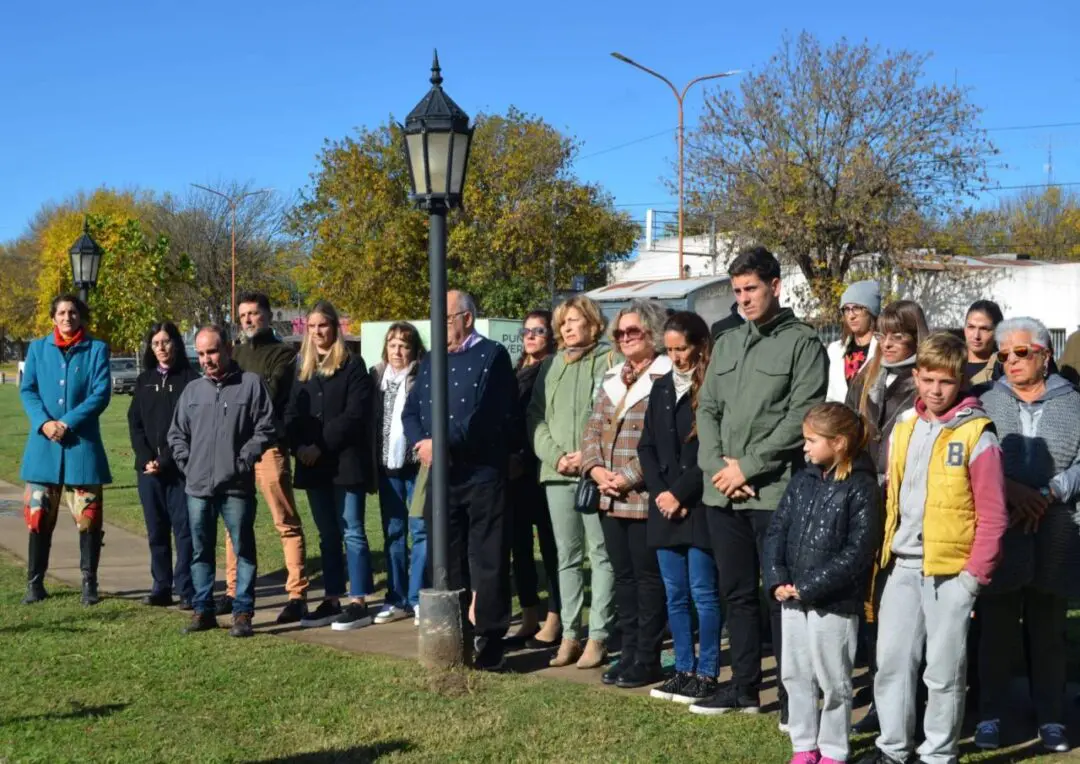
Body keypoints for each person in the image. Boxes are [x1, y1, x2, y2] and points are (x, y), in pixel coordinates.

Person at [857, 332, 1008, 764]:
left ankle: (938, 753)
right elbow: (892, 494)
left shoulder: (978, 435)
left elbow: (993, 515)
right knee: (891, 663)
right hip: (902, 566)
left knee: (943, 671)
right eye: (927, 380)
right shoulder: (906, 427)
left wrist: (973, 578)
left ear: (959, 380)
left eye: (945, 381)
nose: (935, 390)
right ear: (916, 377)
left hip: (951, 572)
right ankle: (893, 748)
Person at [693, 246, 828, 719]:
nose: (744, 299)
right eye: (737, 291)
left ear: (775, 286)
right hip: (722, 491)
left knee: (780, 594)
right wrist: (720, 467)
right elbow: (707, 408)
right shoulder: (727, 342)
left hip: (773, 491)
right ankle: (744, 688)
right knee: (736, 593)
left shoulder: (802, 343)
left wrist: (747, 468)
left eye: (751, 288)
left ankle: (794, 698)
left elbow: (800, 416)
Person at [975, 317, 1080, 753]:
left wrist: (1053, 490)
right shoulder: (986, 402)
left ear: (1044, 354)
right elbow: (974, 457)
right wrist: (1012, 491)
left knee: (1048, 626)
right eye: (1004, 356)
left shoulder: (1073, 402)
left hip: (1057, 526)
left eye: (1021, 353)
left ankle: (1052, 715)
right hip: (1004, 527)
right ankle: (990, 714)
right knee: (996, 627)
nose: (1012, 362)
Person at [401, 290, 517, 671]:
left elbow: (487, 416)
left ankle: (492, 634)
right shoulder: (432, 359)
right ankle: (456, 632)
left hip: (482, 474)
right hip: (442, 477)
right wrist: (422, 441)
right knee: (446, 557)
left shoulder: (493, 356)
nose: (438, 326)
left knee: (488, 558)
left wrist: (442, 442)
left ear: (466, 318)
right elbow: (412, 409)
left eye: (445, 317)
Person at [765, 403, 881, 764]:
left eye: (811, 440)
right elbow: (777, 531)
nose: (804, 447)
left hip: (834, 602)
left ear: (840, 442)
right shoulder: (802, 480)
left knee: (833, 680)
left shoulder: (861, 487)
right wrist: (778, 578)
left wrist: (812, 586)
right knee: (795, 674)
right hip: (793, 599)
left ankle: (833, 748)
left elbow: (859, 550)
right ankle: (804, 745)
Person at [844, 299, 929, 734]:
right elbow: (848, 432)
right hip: (865, 498)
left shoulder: (925, 381)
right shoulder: (867, 375)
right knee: (872, 607)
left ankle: (906, 704)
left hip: (906, 504)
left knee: (901, 613)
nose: (889, 343)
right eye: (884, 334)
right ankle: (882, 697)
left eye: (900, 336)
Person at [580, 298, 671, 689]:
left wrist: (629, 477)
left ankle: (647, 657)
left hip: (643, 495)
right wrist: (597, 469)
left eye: (632, 331)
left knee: (647, 580)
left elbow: (664, 438)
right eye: (619, 333)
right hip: (608, 494)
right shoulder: (614, 376)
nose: (624, 338)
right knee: (623, 579)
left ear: (652, 333)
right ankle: (628, 652)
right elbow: (592, 429)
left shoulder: (667, 376)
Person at [168, 325, 277, 638]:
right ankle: (203, 610)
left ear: (228, 349)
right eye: (201, 354)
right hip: (197, 488)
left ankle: (242, 612)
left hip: (236, 486)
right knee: (200, 551)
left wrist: (244, 458)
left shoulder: (251, 385)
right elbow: (176, 433)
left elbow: (266, 427)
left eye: (212, 352)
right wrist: (187, 463)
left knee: (244, 550)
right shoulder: (192, 391)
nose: (206, 359)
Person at [527, 295, 617, 669]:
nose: (566, 327)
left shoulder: (611, 360)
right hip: (556, 473)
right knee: (565, 557)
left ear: (593, 324)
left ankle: (598, 636)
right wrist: (556, 456)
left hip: (595, 472)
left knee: (601, 553)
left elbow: (617, 411)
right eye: (562, 322)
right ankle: (569, 635)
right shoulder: (549, 366)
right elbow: (534, 418)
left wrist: (587, 454)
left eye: (574, 320)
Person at [639, 312, 721, 704]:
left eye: (682, 348)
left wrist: (680, 495)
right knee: (674, 593)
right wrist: (661, 494)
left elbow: (710, 449)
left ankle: (706, 672)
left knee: (703, 591)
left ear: (700, 345)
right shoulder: (660, 389)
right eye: (669, 350)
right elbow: (647, 446)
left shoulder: (712, 387)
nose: (676, 357)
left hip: (698, 503)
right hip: (664, 505)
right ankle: (683, 668)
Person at [284, 302, 375, 631]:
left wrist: (319, 446)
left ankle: (359, 599)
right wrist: (300, 448)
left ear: (335, 327)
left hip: (344, 463)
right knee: (327, 535)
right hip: (312, 465)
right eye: (312, 326)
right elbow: (291, 414)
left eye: (323, 325)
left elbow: (355, 415)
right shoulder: (302, 366)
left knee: (352, 531)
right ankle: (333, 597)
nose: (318, 332)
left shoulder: (353, 364)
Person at [19, 294, 112, 606]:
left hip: (81, 448)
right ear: (53, 317)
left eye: (72, 312)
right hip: (43, 449)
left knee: (88, 519)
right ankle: (35, 583)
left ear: (80, 316)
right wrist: (44, 423)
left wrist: (67, 422)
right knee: (38, 516)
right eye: (61, 312)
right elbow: (28, 389)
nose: (67, 317)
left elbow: (100, 393)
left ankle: (89, 583)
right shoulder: (37, 349)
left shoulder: (96, 349)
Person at [226, 291, 309, 624]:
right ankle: (233, 592)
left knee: (284, 520)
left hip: (269, 446)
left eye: (254, 314)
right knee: (234, 523)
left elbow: (269, 396)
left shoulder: (283, 354)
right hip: (234, 448)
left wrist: (238, 396)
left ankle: (297, 594)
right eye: (243, 314)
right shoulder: (234, 353)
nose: (248, 319)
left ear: (268, 316)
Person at [128, 321, 200, 609]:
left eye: (166, 342)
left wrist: (166, 459)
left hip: (179, 470)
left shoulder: (190, 380)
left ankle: (186, 588)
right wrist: (147, 458)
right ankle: (161, 585)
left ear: (176, 344)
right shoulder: (144, 380)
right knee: (156, 530)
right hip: (148, 472)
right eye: (156, 343)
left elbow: (190, 427)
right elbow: (135, 424)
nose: (161, 348)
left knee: (184, 531)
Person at [507, 310, 561, 643]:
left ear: (550, 335)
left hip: (540, 469)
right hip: (512, 473)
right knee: (520, 548)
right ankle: (529, 615)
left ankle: (555, 619)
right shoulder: (517, 370)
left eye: (538, 330)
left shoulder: (552, 369)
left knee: (552, 549)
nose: (531, 336)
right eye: (526, 330)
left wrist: (524, 458)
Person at [370, 322, 427, 626]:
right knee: (393, 532)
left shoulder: (423, 376)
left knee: (420, 530)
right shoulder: (376, 377)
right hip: (387, 467)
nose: (397, 351)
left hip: (416, 465)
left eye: (404, 345)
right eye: (392, 344)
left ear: (414, 349)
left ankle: (418, 598)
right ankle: (396, 598)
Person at [826, 280, 880, 403]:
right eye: (846, 309)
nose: (851, 316)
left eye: (857, 308)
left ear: (871, 311)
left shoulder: (883, 350)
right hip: (838, 419)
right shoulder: (835, 350)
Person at [962, 300, 1004, 390]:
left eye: (984, 329)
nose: (976, 336)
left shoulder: (1004, 367)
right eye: (971, 327)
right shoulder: (949, 362)